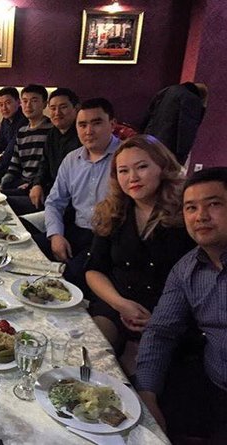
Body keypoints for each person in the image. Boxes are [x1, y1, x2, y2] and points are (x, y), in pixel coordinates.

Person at [85, 135, 195, 375]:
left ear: (162, 167)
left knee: (139, 382)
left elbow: (195, 286)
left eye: (142, 167)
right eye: (123, 171)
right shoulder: (112, 212)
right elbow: (94, 270)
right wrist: (121, 304)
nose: (132, 177)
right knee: (88, 356)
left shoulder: (186, 215)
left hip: (166, 317)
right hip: (116, 305)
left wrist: (159, 320)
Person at [137, 167, 227, 442]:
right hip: (214, 386)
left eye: (214, 204)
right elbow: (160, 331)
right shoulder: (186, 270)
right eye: (191, 208)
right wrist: (147, 394)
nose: (201, 216)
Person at [34, 98, 121, 288]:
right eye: (82, 125)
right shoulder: (72, 159)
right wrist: (55, 235)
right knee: (24, 251)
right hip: (76, 229)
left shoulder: (126, 158)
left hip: (110, 238)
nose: (88, 131)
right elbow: (54, 202)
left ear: (112, 124)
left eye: (96, 123)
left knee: (67, 280)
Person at [1, 85, 53, 215]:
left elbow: (48, 168)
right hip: (22, 184)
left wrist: (32, 184)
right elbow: (15, 164)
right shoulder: (22, 131)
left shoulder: (52, 131)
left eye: (34, 100)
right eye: (25, 101)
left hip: (39, 189)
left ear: (44, 104)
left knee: (0, 203)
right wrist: (5, 181)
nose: (28, 105)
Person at [29, 88, 81, 209]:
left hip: (67, 202)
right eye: (53, 108)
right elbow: (44, 164)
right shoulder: (52, 133)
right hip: (48, 192)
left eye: (63, 107)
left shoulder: (82, 136)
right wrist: (37, 184)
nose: (57, 113)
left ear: (76, 108)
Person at [142, 82, 208, 165]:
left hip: (150, 141)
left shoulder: (167, 90)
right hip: (169, 148)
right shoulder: (192, 99)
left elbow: (148, 115)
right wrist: (182, 157)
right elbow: (187, 129)